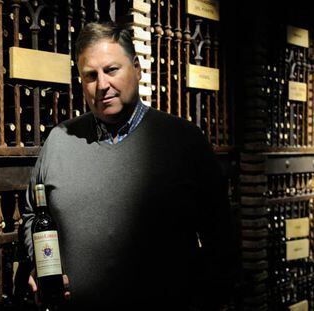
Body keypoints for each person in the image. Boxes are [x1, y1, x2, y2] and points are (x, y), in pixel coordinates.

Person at [22, 21, 239, 311]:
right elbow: (31, 215)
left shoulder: (184, 140)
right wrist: (39, 261)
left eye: (112, 70)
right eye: (90, 75)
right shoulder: (59, 141)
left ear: (136, 68)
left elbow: (220, 240)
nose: (102, 85)